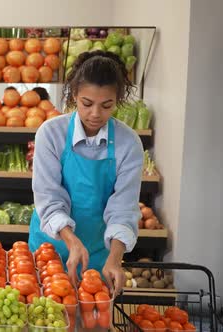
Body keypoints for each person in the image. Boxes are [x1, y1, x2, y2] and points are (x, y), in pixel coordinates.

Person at [29, 50, 143, 296]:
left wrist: (115, 258)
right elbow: (49, 198)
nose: (95, 114)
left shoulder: (128, 143)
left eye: (106, 105)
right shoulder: (51, 134)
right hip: (49, 246)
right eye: (86, 103)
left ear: (118, 100)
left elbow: (124, 208)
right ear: (73, 96)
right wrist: (70, 240)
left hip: (98, 254)